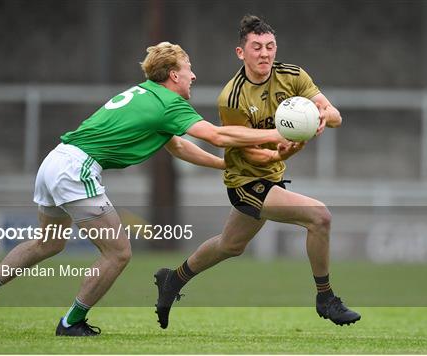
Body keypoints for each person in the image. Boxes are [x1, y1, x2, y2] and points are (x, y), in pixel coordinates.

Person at [0, 41, 293, 337]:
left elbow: (178, 147)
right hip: (76, 170)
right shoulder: (169, 103)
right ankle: (72, 322)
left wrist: (225, 165)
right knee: (118, 252)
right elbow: (218, 136)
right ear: (173, 75)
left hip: (55, 162)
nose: (193, 76)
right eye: (189, 69)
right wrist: (277, 134)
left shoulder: (146, 94)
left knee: (49, 242)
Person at [154, 15, 361, 329]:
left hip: (271, 175)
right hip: (245, 180)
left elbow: (334, 115)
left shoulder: (292, 76)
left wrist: (321, 117)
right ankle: (326, 298)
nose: (264, 53)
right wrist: (283, 150)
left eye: (270, 46)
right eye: (256, 47)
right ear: (241, 53)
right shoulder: (233, 97)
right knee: (319, 217)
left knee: (230, 245)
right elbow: (249, 152)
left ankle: (173, 279)